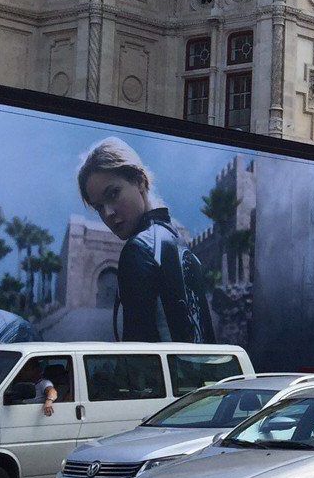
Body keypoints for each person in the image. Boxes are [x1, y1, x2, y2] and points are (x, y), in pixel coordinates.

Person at [78, 138, 215, 344]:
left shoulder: (139, 249)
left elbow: (138, 354)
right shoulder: (176, 241)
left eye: (113, 194)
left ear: (140, 181)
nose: (108, 213)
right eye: (99, 207)